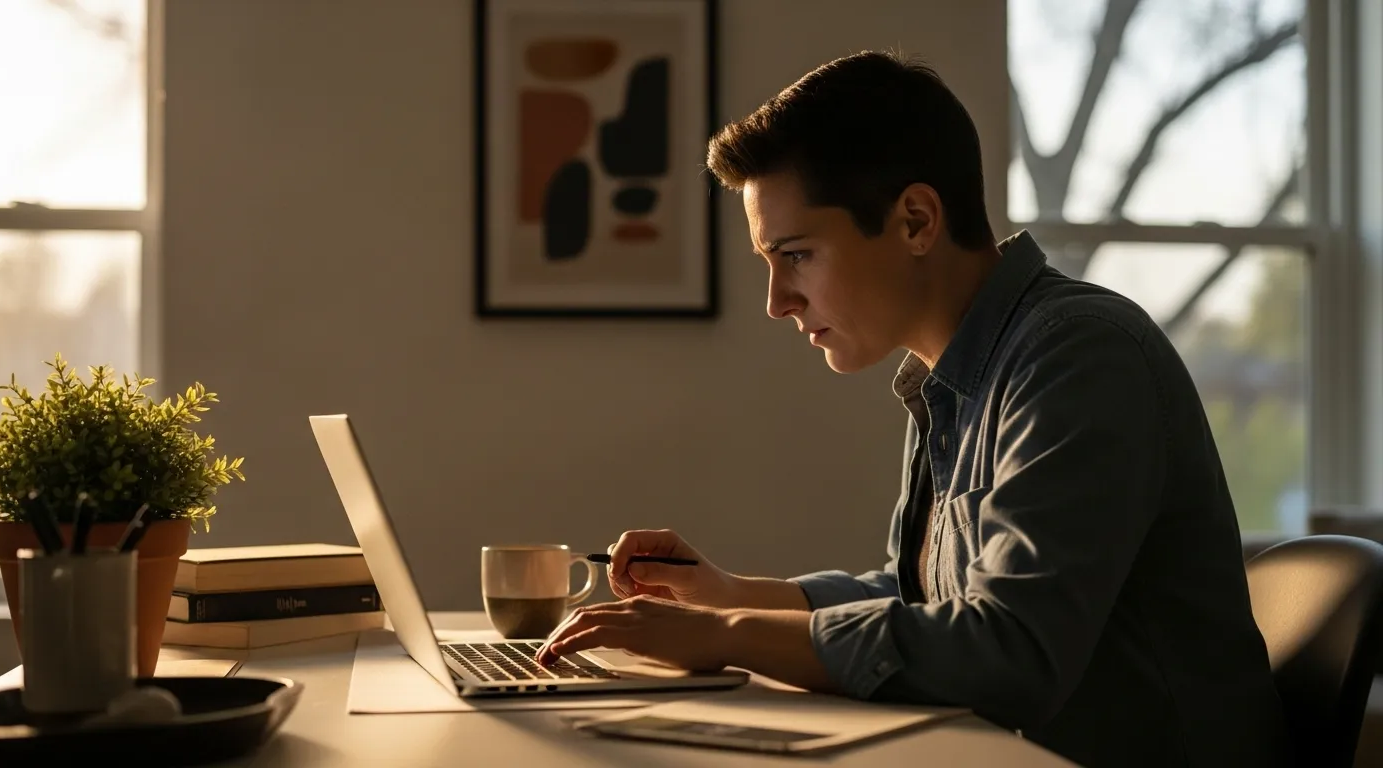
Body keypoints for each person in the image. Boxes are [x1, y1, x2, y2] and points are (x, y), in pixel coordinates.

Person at [535, 51, 1290, 767]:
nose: (777, 302)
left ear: (917, 221)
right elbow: (923, 600)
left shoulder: (1079, 357)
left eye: (795, 255)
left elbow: (1009, 651)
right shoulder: (952, 373)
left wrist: (729, 636)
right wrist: (733, 596)